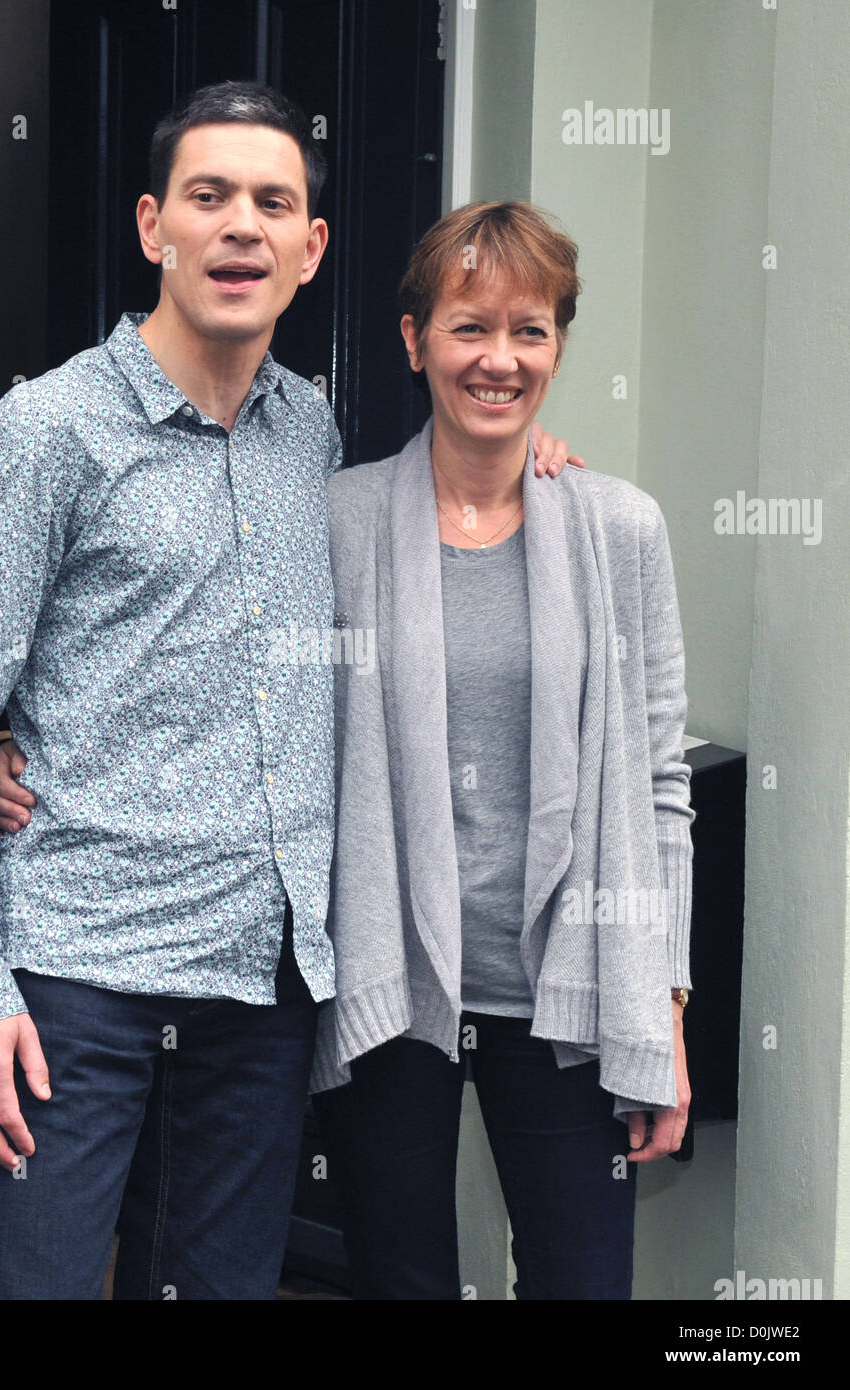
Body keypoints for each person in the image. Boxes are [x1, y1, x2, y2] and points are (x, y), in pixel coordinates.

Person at [0, 80, 576, 1302]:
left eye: (273, 202)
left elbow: (433, 511)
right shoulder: (46, 433)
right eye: (209, 197)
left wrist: (534, 467)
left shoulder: (305, 430)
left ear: (311, 250)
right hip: (71, 986)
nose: (241, 226)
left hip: (260, 992)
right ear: (155, 226)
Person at [307, 200, 694, 1300]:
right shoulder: (340, 519)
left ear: (559, 346)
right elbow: (264, 717)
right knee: (400, 1281)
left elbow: (663, 789)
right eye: (470, 327)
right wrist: (24, 749)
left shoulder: (619, 529)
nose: (499, 358)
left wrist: (665, 1009)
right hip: (396, 979)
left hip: (568, 993)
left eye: (529, 329)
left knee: (582, 1282)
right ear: (413, 338)